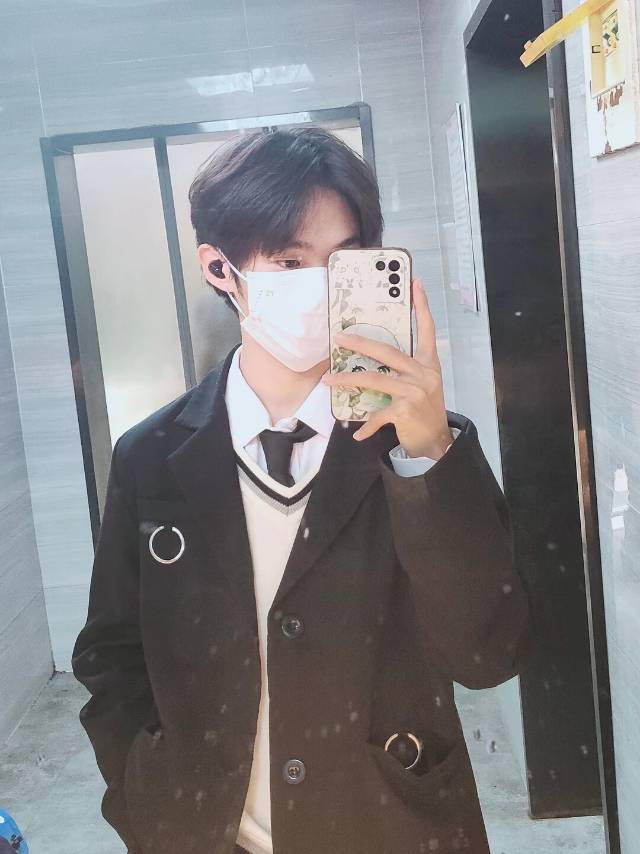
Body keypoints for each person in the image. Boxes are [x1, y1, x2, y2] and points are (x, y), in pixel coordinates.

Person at [72, 126, 534, 854]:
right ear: (220, 269)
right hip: (205, 833)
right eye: (289, 261)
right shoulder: (151, 457)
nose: (319, 285)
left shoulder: (411, 444)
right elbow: (111, 654)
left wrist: (429, 452)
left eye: (343, 260)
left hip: (391, 829)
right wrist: (144, 797)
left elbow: (488, 654)